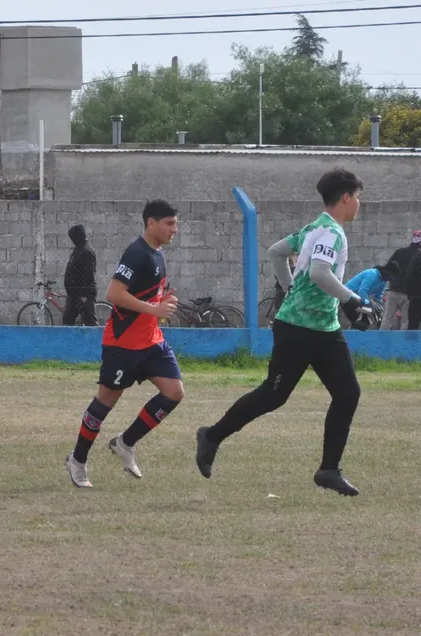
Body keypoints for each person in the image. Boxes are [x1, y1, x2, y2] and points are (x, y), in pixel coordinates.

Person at [195, 168, 373, 497]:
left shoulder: (312, 229)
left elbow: (277, 251)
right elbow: (320, 272)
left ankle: (329, 470)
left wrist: (291, 286)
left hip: (325, 329)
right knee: (273, 395)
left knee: (348, 394)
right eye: (358, 198)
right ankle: (211, 436)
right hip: (298, 330)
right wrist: (350, 298)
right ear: (346, 198)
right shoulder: (331, 232)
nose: (360, 204)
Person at [64, 200, 183, 489]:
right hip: (124, 344)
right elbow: (114, 294)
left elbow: (146, 295)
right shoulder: (136, 253)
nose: (174, 230)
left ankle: (125, 442)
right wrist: (153, 310)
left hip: (151, 341)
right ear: (150, 223)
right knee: (106, 401)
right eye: (169, 224)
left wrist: (160, 302)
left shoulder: (158, 253)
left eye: (175, 224)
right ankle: (78, 460)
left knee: (174, 392)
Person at [381, 230, 421, 330]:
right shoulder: (419, 256)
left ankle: (381, 342)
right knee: (405, 321)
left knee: (387, 317)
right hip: (409, 294)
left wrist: (392, 280)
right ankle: (404, 345)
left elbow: (388, 268)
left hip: (393, 290)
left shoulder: (400, 252)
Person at [62, 224, 98, 326]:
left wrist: (84, 295)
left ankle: (95, 341)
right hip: (74, 294)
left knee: (90, 322)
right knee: (67, 320)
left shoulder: (86, 251)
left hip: (83, 294)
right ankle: (68, 341)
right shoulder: (79, 248)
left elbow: (88, 276)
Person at [405, 248, 421, 330]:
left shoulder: (416, 257)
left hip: (415, 297)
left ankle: (410, 341)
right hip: (416, 296)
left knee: (413, 325)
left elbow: (408, 276)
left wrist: (409, 294)